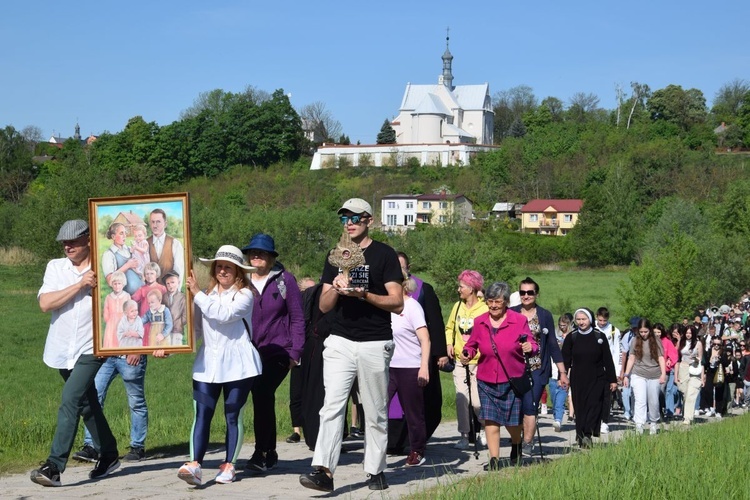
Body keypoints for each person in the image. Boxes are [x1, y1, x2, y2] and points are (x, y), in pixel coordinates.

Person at [299, 198, 403, 493]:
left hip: (374, 341)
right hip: (340, 340)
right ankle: (323, 470)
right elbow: (323, 303)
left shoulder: (384, 255)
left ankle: (375, 469)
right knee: (331, 406)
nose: (350, 222)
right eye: (345, 218)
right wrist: (337, 287)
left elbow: (397, 302)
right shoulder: (337, 255)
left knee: (374, 410)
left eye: (356, 217)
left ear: (369, 219)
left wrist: (364, 294)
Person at [31, 220, 120, 487]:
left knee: (70, 398)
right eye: (64, 242)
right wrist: (81, 285)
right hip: (61, 348)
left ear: (89, 240)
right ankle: (110, 454)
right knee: (86, 404)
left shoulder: (106, 268)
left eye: (73, 241)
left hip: (92, 347)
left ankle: (54, 466)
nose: (67, 246)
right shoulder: (55, 267)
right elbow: (45, 304)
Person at [173, 245, 262, 486]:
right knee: (201, 414)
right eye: (219, 266)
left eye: (228, 268)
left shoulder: (245, 295)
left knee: (232, 415)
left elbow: (224, 315)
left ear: (238, 272)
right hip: (207, 364)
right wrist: (169, 344)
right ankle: (195, 464)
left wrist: (196, 293)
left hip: (238, 364)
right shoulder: (207, 295)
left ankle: (229, 465)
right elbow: (197, 330)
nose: (223, 271)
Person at [241, 233, 305, 472]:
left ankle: (261, 452)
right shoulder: (241, 280)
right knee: (260, 398)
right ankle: (271, 451)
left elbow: (298, 317)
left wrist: (295, 352)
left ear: (271, 257)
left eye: (262, 253)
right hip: (248, 351)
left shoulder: (284, 281)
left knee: (262, 391)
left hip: (279, 351)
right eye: (253, 252)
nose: (256, 256)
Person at [460, 281, 537, 470]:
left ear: (506, 302)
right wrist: (466, 353)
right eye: (490, 301)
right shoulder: (480, 322)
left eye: (498, 302)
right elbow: (472, 345)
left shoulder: (518, 321)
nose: (493, 305)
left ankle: (516, 443)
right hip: (486, 379)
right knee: (491, 420)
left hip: (511, 378)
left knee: (512, 421)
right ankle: (494, 459)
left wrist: (530, 347)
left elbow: (532, 344)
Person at [387, 252, 447, 454]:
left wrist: (440, 353)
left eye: (401, 266)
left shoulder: (422, 290)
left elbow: (435, 324)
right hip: (389, 359)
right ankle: (391, 442)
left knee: (417, 405)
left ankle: (414, 445)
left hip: (416, 358)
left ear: (408, 268)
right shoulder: (381, 291)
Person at [510, 277, 568, 457]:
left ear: (536, 294)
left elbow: (552, 345)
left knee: (530, 406)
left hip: (537, 369)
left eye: (530, 292)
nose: (526, 296)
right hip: (513, 369)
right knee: (515, 408)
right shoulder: (510, 313)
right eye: (522, 292)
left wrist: (562, 372)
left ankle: (527, 442)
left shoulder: (544, 315)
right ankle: (517, 441)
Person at [387, 278, 431, 466]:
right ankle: (377, 449)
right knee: (378, 408)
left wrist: (424, 367)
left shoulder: (412, 307)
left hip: (410, 367)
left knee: (413, 413)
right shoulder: (386, 306)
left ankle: (417, 450)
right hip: (388, 367)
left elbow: (425, 339)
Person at [561, 308, 617, 448]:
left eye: (584, 319)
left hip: (597, 377)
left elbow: (607, 359)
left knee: (594, 406)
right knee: (580, 407)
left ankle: (587, 434)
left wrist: (612, 380)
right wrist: (562, 377)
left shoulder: (599, 336)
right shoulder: (572, 337)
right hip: (578, 377)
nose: (581, 322)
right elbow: (565, 359)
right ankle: (580, 434)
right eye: (578, 319)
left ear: (590, 320)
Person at [445, 270, 488, 450]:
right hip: (459, 361)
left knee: (477, 402)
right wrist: (449, 343)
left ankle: (485, 429)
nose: (458, 289)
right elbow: (450, 327)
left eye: (461, 286)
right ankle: (464, 435)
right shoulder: (457, 307)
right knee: (461, 398)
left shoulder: (485, 309)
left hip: (479, 362)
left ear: (471, 288)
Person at [287, 276, 317, 444]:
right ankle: (296, 429)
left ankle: (311, 428)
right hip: (298, 351)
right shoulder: (296, 307)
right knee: (296, 391)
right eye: (308, 291)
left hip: (313, 352)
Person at [622, 319, 666, 435]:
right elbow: (631, 358)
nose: (643, 334)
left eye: (645, 332)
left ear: (650, 330)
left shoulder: (656, 341)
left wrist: (663, 373)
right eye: (641, 332)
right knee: (640, 400)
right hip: (638, 373)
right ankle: (639, 425)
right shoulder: (635, 340)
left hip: (654, 374)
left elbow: (661, 358)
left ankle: (653, 422)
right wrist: (626, 375)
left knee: (653, 400)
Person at [595, 307, 620, 432]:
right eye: (600, 320)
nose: (602, 323)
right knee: (594, 395)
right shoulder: (591, 329)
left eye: (605, 321)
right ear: (596, 317)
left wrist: (615, 372)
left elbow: (616, 352)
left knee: (606, 395)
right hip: (593, 367)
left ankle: (604, 421)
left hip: (607, 367)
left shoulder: (614, 331)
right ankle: (594, 419)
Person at [101, 222, 143, 296]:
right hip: (126, 298)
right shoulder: (109, 254)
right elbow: (110, 280)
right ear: (113, 237)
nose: (125, 236)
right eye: (121, 233)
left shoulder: (129, 249)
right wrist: (127, 265)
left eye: (125, 233)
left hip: (141, 293)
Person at [131, 262, 167, 345]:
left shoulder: (162, 288)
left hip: (157, 319)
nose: (149, 276)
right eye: (147, 274)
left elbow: (166, 304)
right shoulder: (142, 289)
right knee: (145, 339)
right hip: (145, 318)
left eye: (152, 273)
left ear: (157, 274)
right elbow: (133, 299)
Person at [147, 208, 184, 287]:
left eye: (158, 222)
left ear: (165, 224)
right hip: (150, 293)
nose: (155, 225)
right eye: (152, 222)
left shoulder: (175, 243)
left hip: (169, 292)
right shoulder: (145, 244)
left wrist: (174, 294)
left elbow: (179, 271)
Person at [675, 325, 703, 425]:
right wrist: (676, 375)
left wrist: (696, 359)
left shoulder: (698, 343)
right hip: (683, 368)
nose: (688, 335)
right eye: (687, 333)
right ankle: (685, 413)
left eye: (690, 333)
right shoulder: (681, 343)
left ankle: (688, 418)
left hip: (694, 368)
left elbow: (701, 359)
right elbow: (677, 357)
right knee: (685, 393)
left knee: (691, 393)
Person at [550, 313, 573, 431]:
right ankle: (556, 418)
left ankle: (558, 420)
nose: (562, 327)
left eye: (564, 325)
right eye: (560, 325)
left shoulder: (572, 337)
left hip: (566, 373)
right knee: (554, 398)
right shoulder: (555, 337)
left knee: (561, 398)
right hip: (553, 372)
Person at [654, 322, 678, 420]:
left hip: (664, 371)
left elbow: (674, 354)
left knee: (660, 391)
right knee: (653, 392)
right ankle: (656, 412)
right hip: (652, 370)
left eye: (659, 332)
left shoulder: (667, 341)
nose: (657, 334)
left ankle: (661, 410)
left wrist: (669, 360)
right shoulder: (650, 341)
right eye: (655, 332)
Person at [700, 337, 729, 418]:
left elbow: (726, 363)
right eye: (714, 344)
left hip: (719, 372)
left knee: (719, 391)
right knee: (707, 389)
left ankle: (718, 411)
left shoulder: (723, 352)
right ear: (712, 343)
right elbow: (704, 362)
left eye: (718, 344)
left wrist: (720, 359)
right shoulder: (708, 351)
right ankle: (710, 408)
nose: (716, 346)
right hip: (710, 372)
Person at [618, 317, 640, 420]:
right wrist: (622, 370)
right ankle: (627, 410)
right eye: (634, 328)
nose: (636, 330)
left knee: (636, 390)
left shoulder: (645, 336)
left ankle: (634, 410)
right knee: (626, 390)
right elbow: (624, 354)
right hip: (629, 365)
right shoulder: (627, 336)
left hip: (640, 366)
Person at [101, 271, 131, 348]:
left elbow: (130, 309)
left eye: (119, 284)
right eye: (115, 284)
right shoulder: (109, 297)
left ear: (123, 284)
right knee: (111, 338)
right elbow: (106, 310)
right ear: (112, 284)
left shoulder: (126, 296)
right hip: (111, 322)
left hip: (123, 321)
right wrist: (108, 320)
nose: (117, 286)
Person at [163, 270, 186, 345]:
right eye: (168, 283)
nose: (170, 285)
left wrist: (179, 323)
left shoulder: (183, 298)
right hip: (166, 330)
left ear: (178, 282)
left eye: (173, 282)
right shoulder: (164, 297)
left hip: (177, 330)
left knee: (176, 347)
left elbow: (185, 315)